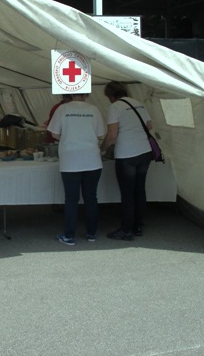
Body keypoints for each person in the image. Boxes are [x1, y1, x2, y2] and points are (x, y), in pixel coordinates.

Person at [47, 92, 105, 245]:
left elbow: (54, 134)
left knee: (71, 199)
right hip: (92, 159)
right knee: (91, 197)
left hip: (70, 159)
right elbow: (100, 133)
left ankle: (69, 235)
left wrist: (69, 137)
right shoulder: (94, 109)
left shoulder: (62, 109)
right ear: (86, 93)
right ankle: (91, 234)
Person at [100, 81, 153, 241]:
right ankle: (138, 226)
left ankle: (126, 230)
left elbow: (112, 135)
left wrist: (102, 148)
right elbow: (149, 126)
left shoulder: (115, 107)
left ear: (111, 96)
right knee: (140, 189)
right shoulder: (139, 103)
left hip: (127, 154)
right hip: (145, 151)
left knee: (127, 193)